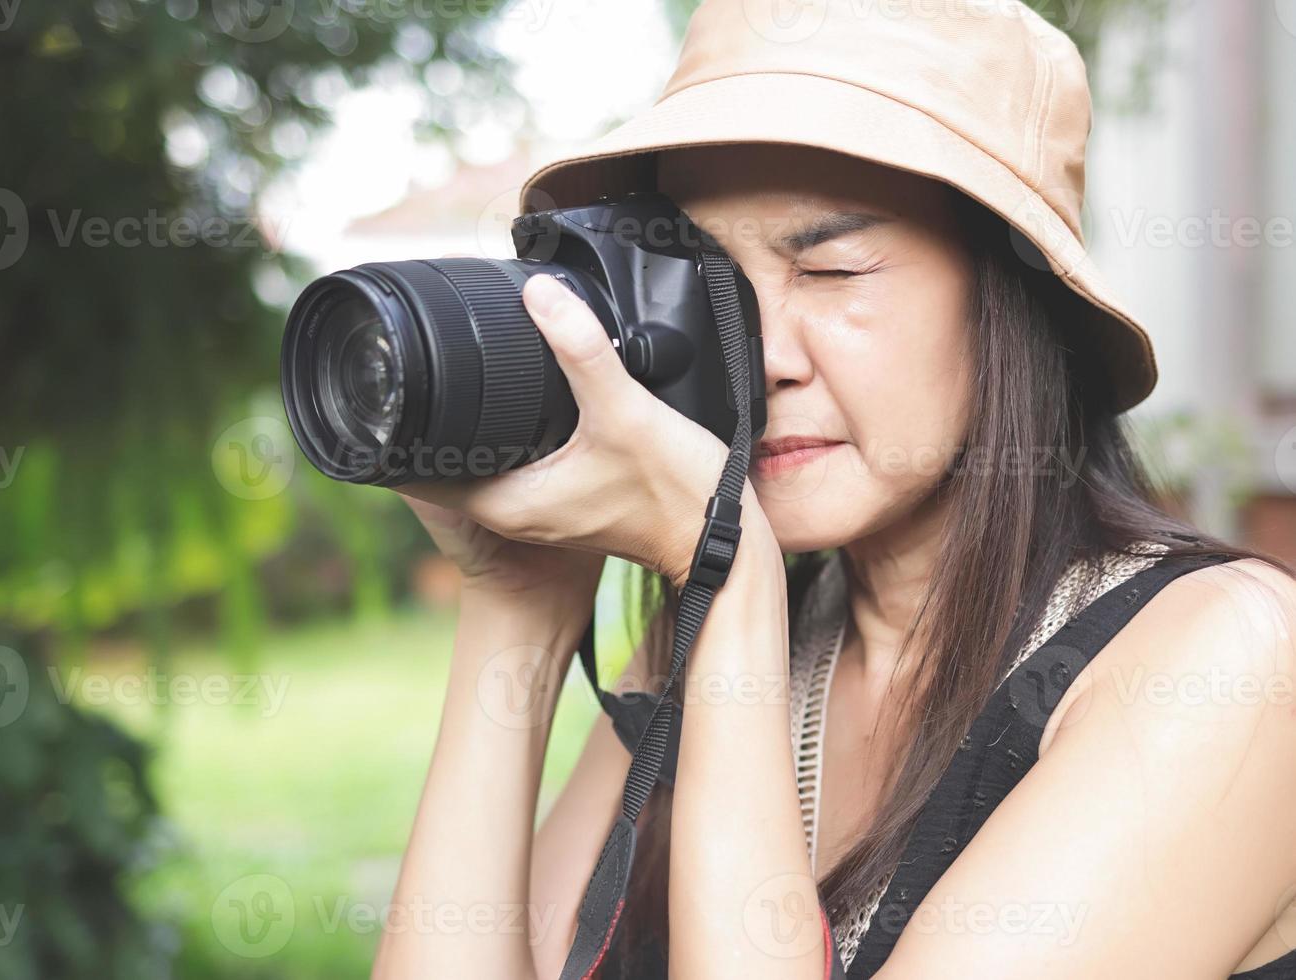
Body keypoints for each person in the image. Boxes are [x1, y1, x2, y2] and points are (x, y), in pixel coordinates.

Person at [372, 1, 1296, 977]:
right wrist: (517, 599)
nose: (760, 357)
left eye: (831, 265)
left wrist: (724, 578)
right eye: (718, 286)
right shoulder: (713, 640)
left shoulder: (1230, 658)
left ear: (1012, 295)